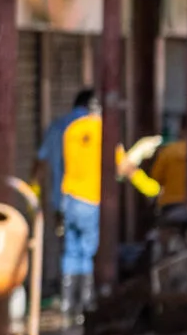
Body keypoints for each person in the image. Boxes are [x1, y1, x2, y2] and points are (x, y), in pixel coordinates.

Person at [34, 89, 160, 320]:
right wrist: (149, 187)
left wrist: (34, 193)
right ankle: (87, 302)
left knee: (71, 250)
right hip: (91, 199)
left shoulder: (62, 128)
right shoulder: (102, 131)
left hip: (65, 199)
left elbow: (41, 163)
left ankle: (68, 304)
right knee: (90, 252)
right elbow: (123, 168)